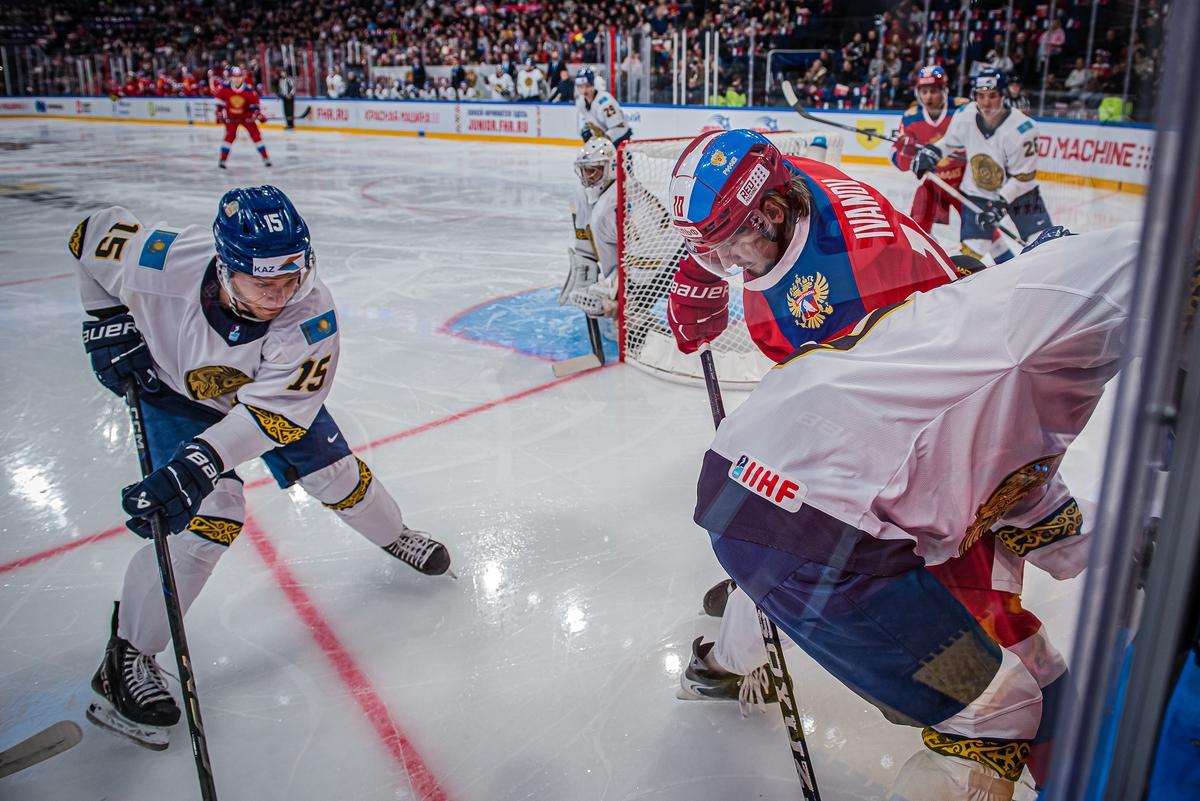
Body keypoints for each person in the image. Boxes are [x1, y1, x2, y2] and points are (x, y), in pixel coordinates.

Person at [667, 129, 1133, 799]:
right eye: (717, 245)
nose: (731, 259)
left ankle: (1076, 774)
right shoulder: (787, 185)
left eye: (734, 240)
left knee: (988, 646)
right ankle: (746, 641)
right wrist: (699, 266)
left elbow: (957, 435)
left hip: (936, 453)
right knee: (806, 538)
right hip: (896, 430)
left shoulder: (858, 285)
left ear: (773, 210)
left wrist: (1041, 517)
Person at [72, 185, 452, 749]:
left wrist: (203, 458)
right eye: (263, 283)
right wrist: (105, 319)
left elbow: (273, 417)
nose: (281, 295)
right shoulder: (159, 259)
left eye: (290, 279)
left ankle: (396, 534)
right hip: (173, 392)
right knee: (211, 516)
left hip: (263, 395)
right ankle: (127, 652)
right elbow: (91, 234)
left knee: (334, 473)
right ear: (225, 268)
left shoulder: (311, 316)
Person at [913, 68, 1051, 265]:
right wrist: (932, 153)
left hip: (1022, 197)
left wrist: (1000, 204)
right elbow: (949, 142)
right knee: (968, 259)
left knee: (1045, 249)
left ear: (1003, 95)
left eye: (992, 96)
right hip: (979, 194)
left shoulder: (1023, 129)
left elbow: (1023, 177)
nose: (986, 103)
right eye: (981, 96)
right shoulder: (965, 115)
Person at [891, 65, 968, 234]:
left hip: (965, 182)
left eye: (933, 91)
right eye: (923, 91)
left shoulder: (963, 110)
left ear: (944, 90)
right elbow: (897, 159)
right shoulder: (911, 117)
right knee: (916, 229)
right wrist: (907, 154)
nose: (928, 97)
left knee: (980, 232)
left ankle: (1011, 260)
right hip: (933, 182)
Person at [557, 138, 620, 321]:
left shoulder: (620, 199)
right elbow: (585, 242)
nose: (587, 176)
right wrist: (585, 270)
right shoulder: (584, 195)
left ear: (611, 168)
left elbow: (644, 258)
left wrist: (616, 287)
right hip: (627, 267)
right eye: (584, 170)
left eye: (592, 170)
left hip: (656, 267)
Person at [214, 66, 271, 170]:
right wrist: (219, 114)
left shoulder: (249, 91)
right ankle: (222, 159)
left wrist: (258, 115)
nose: (237, 79)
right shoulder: (224, 89)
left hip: (246, 118)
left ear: (242, 77)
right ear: (230, 77)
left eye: (239, 77)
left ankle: (265, 158)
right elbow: (219, 105)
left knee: (256, 136)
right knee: (229, 138)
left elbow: (255, 108)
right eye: (234, 77)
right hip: (232, 118)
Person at [575, 68, 631, 146]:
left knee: (619, 158)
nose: (584, 91)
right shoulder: (581, 102)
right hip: (604, 137)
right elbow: (586, 123)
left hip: (619, 137)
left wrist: (605, 140)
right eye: (581, 87)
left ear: (593, 85)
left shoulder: (605, 101)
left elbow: (618, 126)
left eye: (587, 86)